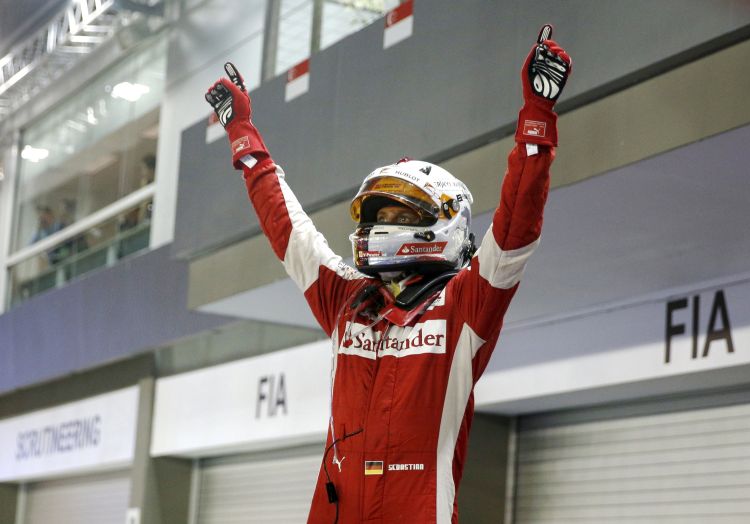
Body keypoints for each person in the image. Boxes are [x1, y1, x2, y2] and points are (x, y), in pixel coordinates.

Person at [206, 24, 571, 524]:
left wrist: (537, 119)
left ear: (443, 223)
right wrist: (244, 137)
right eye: (376, 217)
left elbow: (514, 232)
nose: (381, 228)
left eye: (399, 217)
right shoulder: (345, 301)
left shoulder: (465, 307)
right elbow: (287, 228)